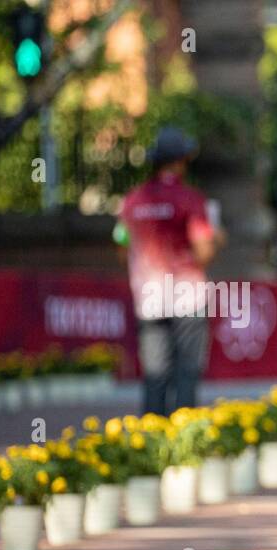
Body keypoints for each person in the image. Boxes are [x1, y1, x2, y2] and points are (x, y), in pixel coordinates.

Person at [114, 127, 224, 415]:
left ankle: (151, 436)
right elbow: (203, 251)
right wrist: (217, 239)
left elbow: (122, 246)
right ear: (181, 161)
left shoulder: (133, 201)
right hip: (187, 296)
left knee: (154, 376)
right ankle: (182, 436)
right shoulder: (191, 200)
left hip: (149, 297)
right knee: (187, 372)